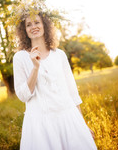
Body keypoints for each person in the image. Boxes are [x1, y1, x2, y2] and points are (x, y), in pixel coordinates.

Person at [13, 9, 97, 150]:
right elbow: (23, 96)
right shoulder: (20, 57)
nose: (33, 27)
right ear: (24, 30)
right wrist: (35, 67)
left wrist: (82, 124)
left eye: (37, 22)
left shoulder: (60, 55)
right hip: (40, 126)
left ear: (44, 25)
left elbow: (72, 93)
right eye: (28, 24)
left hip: (68, 118)